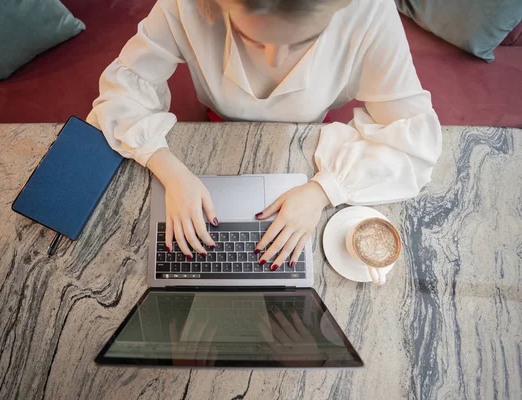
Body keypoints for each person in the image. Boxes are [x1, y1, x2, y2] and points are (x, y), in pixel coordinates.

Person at [87, 0, 442, 270]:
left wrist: (324, 189)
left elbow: (413, 139)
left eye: (306, 40)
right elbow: (123, 90)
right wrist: (171, 171)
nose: (274, 61)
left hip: (305, 138)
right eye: (250, 39)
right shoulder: (185, 5)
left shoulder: (370, 11)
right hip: (213, 124)